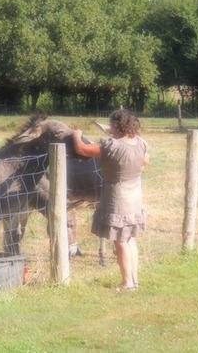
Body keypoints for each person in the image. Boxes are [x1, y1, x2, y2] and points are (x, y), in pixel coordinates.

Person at [72, 109, 149, 292]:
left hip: (117, 196)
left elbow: (82, 149)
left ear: (115, 125)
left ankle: (127, 283)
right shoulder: (142, 143)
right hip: (135, 194)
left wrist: (77, 134)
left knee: (120, 240)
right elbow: (146, 161)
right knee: (130, 239)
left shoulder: (111, 145)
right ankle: (134, 281)